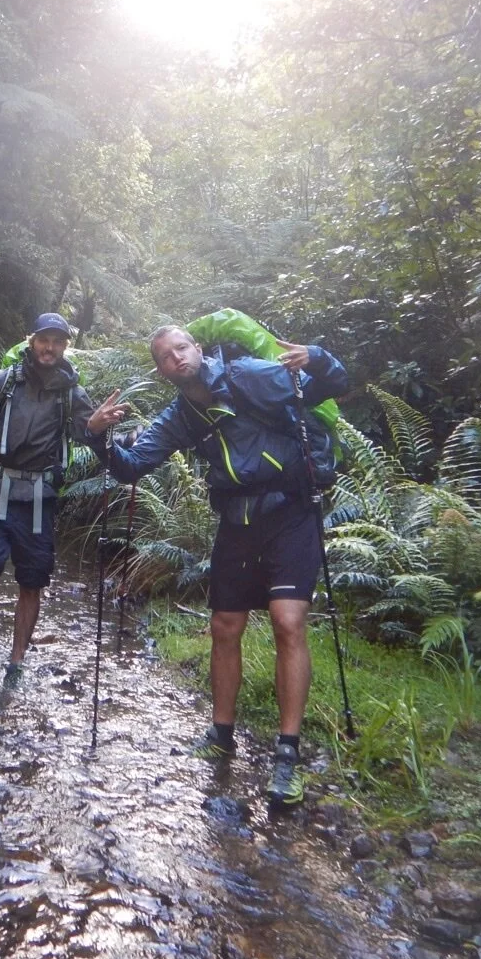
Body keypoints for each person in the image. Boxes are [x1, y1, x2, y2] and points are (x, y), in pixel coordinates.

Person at [103, 324, 348, 806]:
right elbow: (131, 465)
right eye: (165, 356)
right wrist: (97, 437)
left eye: (181, 348)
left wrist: (318, 356)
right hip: (237, 519)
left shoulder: (247, 377)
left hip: (291, 511)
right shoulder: (180, 416)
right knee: (224, 625)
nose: (176, 358)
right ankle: (221, 735)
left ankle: (287, 754)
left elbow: (331, 386)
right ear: (160, 371)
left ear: (197, 348)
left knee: (287, 621)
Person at [0, 313, 126, 683]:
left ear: (66, 346)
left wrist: (99, 426)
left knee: (31, 582)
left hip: (40, 499)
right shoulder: (5, 381)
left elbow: (89, 432)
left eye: (57, 341)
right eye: (44, 340)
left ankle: (16, 661)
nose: (49, 347)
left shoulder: (71, 392)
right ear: (32, 341)